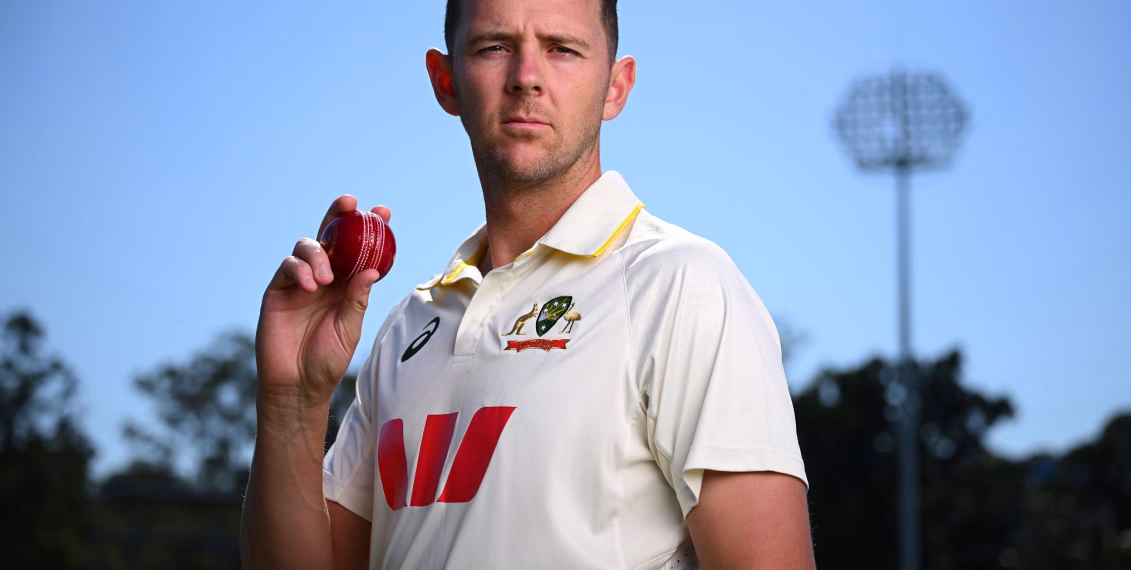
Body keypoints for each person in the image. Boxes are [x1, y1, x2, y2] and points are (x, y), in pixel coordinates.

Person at [241, 0, 815, 567]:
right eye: (494, 47)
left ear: (616, 86)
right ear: (446, 82)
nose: (527, 79)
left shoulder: (682, 285)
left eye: (562, 49)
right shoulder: (407, 326)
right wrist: (291, 403)